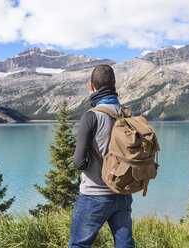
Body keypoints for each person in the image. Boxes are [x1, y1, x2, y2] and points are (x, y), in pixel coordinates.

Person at [69, 65, 135, 248]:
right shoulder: (128, 114)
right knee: (125, 244)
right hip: (123, 192)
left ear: (92, 86)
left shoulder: (91, 116)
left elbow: (79, 162)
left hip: (94, 194)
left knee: (79, 245)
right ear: (114, 84)